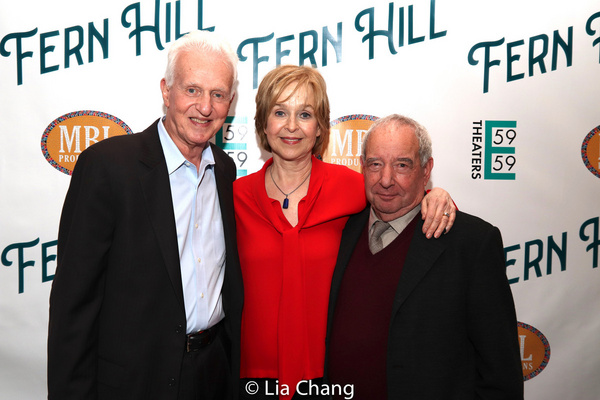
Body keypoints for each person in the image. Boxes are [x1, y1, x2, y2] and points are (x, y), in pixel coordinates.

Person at [233, 66, 456, 399]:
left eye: (305, 114)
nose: (292, 126)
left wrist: (435, 195)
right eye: (280, 112)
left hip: (332, 377)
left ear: (321, 126)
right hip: (253, 378)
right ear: (263, 123)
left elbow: (399, 197)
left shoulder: (352, 187)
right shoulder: (236, 195)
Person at [47, 31, 243, 400]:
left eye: (218, 94)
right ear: (166, 91)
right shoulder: (108, 167)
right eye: (192, 90)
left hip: (212, 376)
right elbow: (73, 305)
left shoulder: (226, 171)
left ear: (230, 103)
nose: (205, 107)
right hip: (134, 383)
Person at [325, 114, 524, 399]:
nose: (386, 179)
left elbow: (499, 370)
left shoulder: (471, 243)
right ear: (362, 167)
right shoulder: (341, 228)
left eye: (402, 165)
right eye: (375, 164)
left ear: (426, 169)